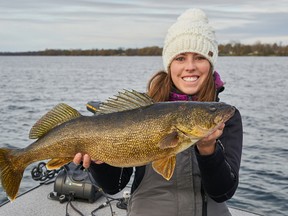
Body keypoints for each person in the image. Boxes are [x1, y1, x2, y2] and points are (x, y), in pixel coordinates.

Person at [73, 8, 243, 216]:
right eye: (180, 58)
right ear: (169, 65)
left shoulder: (227, 118)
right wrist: (98, 164)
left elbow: (222, 192)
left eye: (199, 57)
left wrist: (208, 149)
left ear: (210, 63)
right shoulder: (141, 111)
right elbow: (114, 186)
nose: (190, 66)